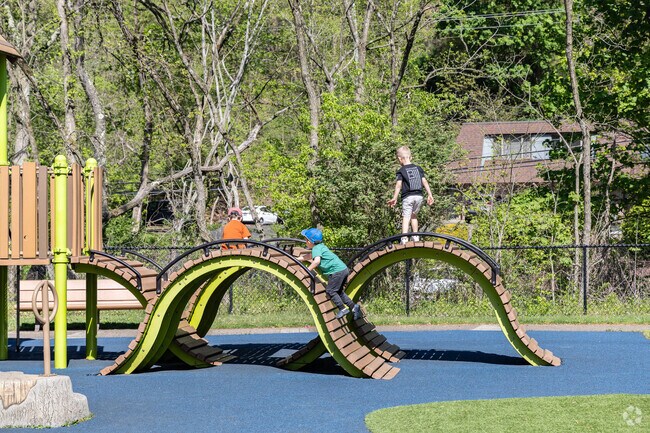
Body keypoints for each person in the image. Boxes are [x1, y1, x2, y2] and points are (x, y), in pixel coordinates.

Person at [299, 227, 361, 320]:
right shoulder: (321, 246)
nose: (305, 241)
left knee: (330, 291)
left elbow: (316, 261)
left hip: (336, 272)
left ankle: (342, 309)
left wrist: (307, 270)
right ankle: (354, 307)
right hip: (343, 269)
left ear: (310, 241)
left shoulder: (316, 248)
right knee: (338, 292)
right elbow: (309, 256)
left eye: (306, 239)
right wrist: (297, 259)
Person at [387, 146, 434, 243]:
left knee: (406, 216)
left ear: (400, 159)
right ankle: (415, 236)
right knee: (414, 215)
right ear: (411, 157)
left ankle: (404, 237)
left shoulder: (401, 170)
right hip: (419, 196)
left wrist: (394, 197)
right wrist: (430, 194)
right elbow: (424, 182)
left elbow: (398, 185)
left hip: (408, 197)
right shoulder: (418, 168)